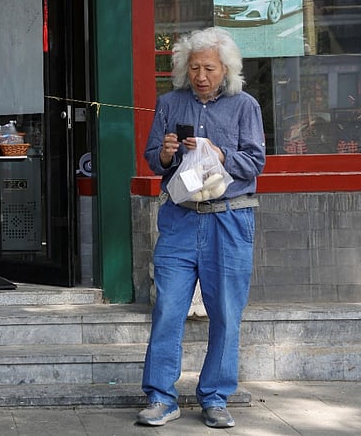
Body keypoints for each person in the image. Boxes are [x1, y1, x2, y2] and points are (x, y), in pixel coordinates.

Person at [137, 27, 266, 429]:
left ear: (225, 68)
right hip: (180, 217)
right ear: (183, 69)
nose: (201, 75)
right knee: (168, 309)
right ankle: (161, 397)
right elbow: (152, 161)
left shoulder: (245, 106)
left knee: (226, 312)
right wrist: (166, 152)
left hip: (230, 217)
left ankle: (215, 396)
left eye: (208, 67)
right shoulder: (169, 103)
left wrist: (221, 154)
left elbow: (255, 162)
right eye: (194, 68)